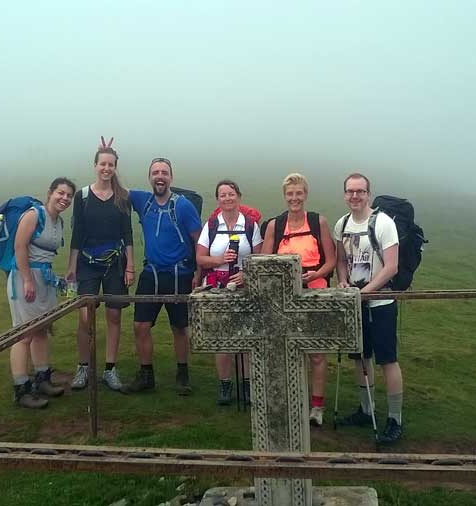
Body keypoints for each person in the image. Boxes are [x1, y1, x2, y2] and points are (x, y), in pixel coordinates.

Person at [121, 157, 202, 395]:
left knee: (179, 327)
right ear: (149, 178)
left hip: (180, 273)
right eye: (155, 172)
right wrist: (109, 157)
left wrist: (198, 272)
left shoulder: (183, 205)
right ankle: (146, 375)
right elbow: (116, 189)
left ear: (171, 178)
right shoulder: (142, 200)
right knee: (140, 325)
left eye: (164, 172)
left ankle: (182, 374)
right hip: (151, 273)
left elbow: (198, 240)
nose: (160, 176)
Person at [261, 173, 336, 427]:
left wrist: (318, 274)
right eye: (290, 194)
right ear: (285, 196)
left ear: (306, 194)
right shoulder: (275, 225)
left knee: (316, 353)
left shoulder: (318, 222)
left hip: (315, 292)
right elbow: (265, 260)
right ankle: (292, 403)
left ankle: (317, 406)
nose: (294, 198)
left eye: (299, 193)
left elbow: (331, 260)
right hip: (283, 296)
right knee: (287, 353)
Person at [334, 173, 403, 444]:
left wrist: (366, 291)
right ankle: (366, 410)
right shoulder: (342, 224)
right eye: (350, 191)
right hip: (355, 301)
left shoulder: (384, 223)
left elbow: (392, 266)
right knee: (360, 357)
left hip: (382, 301)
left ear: (369, 194)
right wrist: (342, 281)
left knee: (387, 359)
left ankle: (395, 419)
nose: (355, 196)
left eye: (360, 191)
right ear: (344, 195)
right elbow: (341, 260)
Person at [66, 142, 134, 392]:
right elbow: (77, 233)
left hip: (116, 263)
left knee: (114, 315)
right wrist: (72, 266)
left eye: (111, 164)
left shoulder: (122, 196)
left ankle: (109, 369)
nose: (106, 168)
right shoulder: (82, 196)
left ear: (115, 168)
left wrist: (130, 265)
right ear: (95, 166)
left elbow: (127, 233)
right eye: (102, 164)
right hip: (87, 263)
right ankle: (83, 367)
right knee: (86, 318)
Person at [8, 177, 76, 409]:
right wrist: (27, 279)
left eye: (68, 195)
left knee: (42, 330)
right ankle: (21, 389)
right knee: (24, 334)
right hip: (25, 277)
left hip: (45, 279)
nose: (64, 198)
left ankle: (42, 378)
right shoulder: (33, 215)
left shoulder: (58, 221)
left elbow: (45, 253)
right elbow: (20, 247)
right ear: (50, 193)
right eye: (60, 193)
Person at [196, 179, 262, 405]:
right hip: (217, 287)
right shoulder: (211, 225)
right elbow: (200, 258)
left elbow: (259, 258)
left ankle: (247, 384)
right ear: (218, 200)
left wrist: (247, 274)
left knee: (245, 338)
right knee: (222, 338)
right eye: (222, 195)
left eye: (231, 194)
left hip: (244, 287)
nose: (227, 198)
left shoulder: (251, 225)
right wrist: (219, 260)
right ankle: (225, 384)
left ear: (238, 197)